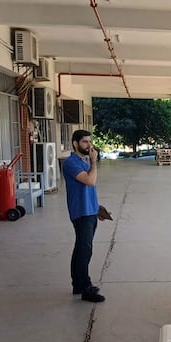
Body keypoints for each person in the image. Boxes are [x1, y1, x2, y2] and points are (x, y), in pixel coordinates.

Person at [62, 129, 106, 303]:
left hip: (90, 211)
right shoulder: (71, 163)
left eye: (90, 142)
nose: (89, 145)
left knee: (82, 248)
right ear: (75, 143)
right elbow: (90, 181)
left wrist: (97, 209)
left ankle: (79, 285)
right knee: (84, 250)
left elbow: (90, 189)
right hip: (81, 212)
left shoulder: (83, 161)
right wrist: (94, 163)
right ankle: (85, 288)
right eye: (85, 142)